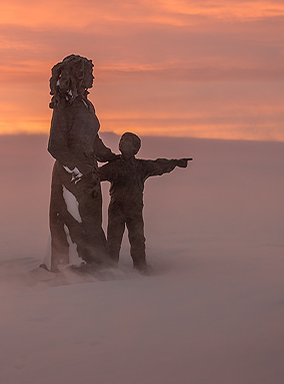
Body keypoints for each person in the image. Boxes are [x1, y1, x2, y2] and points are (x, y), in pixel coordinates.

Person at [47, 54, 117, 272]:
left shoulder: (87, 105)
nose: (93, 77)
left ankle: (96, 262)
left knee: (91, 221)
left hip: (87, 174)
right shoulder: (64, 107)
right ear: (78, 75)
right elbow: (55, 146)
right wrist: (79, 169)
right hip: (70, 176)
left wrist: (110, 156)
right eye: (89, 72)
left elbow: (92, 139)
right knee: (72, 220)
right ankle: (73, 267)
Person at [99, 132, 191, 271]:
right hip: (116, 208)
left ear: (135, 148)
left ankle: (140, 267)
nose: (123, 143)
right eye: (122, 140)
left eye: (127, 141)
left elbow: (158, 165)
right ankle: (110, 269)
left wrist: (175, 163)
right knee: (113, 240)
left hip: (134, 209)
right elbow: (94, 176)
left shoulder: (141, 166)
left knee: (137, 240)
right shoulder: (114, 166)